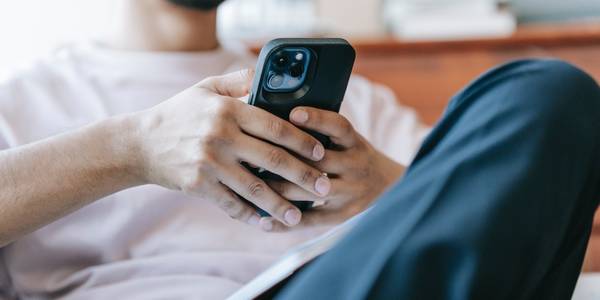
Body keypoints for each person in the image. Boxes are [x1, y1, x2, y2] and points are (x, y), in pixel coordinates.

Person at [0, 0, 429, 299]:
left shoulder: (353, 104)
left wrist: (386, 183)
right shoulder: (20, 103)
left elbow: (480, 201)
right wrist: (133, 150)